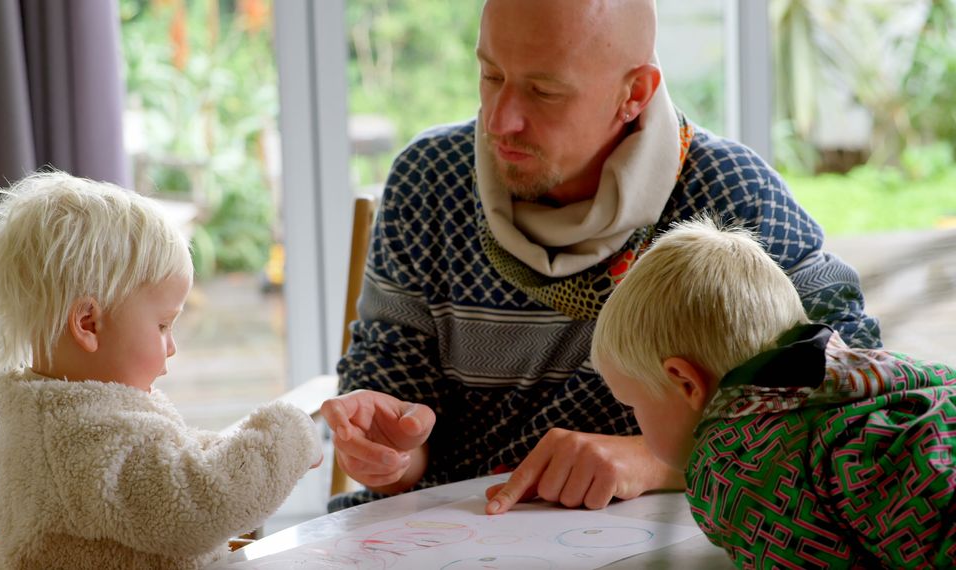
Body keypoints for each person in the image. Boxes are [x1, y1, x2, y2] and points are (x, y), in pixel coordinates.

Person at [322, 0, 882, 514]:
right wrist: (388, 452)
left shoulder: (731, 197)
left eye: (544, 91)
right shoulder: (428, 182)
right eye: (491, 76)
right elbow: (389, 395)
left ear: (634, 92)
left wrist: (657, 460)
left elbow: (854, 387)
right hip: (443, 535)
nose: (499, 120)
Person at [0, 172, 322, 570]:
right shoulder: (88, 437)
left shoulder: (65, 416)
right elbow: (201, 505)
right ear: (89, 324)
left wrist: (235, 448)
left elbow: (170, 457)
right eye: (162, 325)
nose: (172, 346)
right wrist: (289, 438)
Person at [589, 216, 956, 567]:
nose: (635, 418)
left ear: (686, 383)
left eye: (632, 405)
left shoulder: (736, 464)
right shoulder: (882, 373)